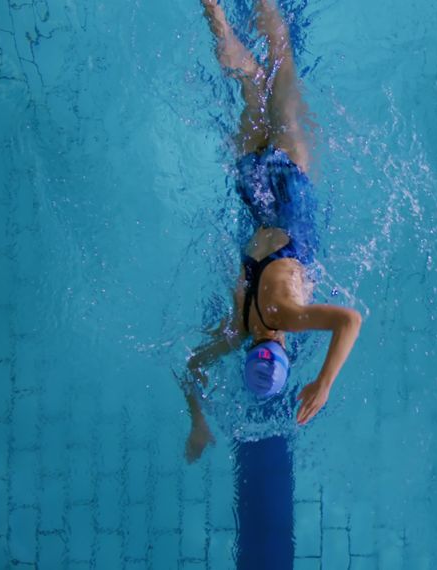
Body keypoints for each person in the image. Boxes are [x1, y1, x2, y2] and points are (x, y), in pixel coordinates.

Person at [180, 0, 362, 463]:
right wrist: (197, 421)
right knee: (251, 81)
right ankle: (216, 16)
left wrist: (323, 382)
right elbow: (192, 366)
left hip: (288, 185)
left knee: (280, 54)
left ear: (280, 351)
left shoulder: (283, 316)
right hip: (254, 190)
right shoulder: (238, 329)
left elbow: (350, 320)